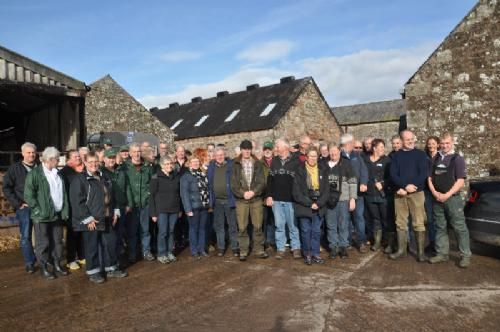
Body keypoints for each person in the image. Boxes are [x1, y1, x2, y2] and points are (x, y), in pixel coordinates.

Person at [70, 152, 127, 283]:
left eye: (95, 162)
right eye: (90, 162)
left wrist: (115, 211)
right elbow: (77, 202)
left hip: (107, 217)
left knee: (110, 244)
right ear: (85, 163)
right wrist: (87, 218)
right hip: (92, 219)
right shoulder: (79, 180)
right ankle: (93, 272)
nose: (94, 164)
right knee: (92, 247)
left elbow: (112, 196)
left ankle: (111, 268)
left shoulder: (104, 177)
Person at [24, 147, 69, 280]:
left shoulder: (58, 173)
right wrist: (38, 210)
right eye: (57, 159)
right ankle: (44, 267)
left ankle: (57, 264)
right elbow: (28, 195)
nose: (59, 161)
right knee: (43, 243)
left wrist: (64, 209)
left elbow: (63, 193)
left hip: (56, 214)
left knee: (58, 241)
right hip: (42, 216)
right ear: (50, 159)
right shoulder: (35, 174)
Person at [428, 133, 471, 268]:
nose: (445, 146)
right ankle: (442, 253)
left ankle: (465, 256)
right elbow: (429, 178)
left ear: (452, 143)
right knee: (440, 226)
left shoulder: (457, 159)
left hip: (452, 199)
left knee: (459, 227)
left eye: (447, 143)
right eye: (442, 143)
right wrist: (435, 193)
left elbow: (460, 181)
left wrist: (447, 194)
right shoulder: (435, 159)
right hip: (437, 198)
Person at [389, 130, 428, 262]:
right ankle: (401, 250)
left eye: (412, 138)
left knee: (419, 223)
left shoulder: (421, 155)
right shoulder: (395, 156)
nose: (411, 141)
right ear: (402, 140)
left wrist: (411, 187)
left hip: (417, 193)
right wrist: (404, 186)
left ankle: (420, 253)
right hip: (400, 193)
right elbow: (393, 175)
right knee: (400, 223)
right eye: (407, 139)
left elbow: (423, 173)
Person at [2, 142, 38, 273]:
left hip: (39, 207)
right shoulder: (15, 169)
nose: (31, 155)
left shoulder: (39, 167)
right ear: (22, 153)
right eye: (28, 152)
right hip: (25, 207)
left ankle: (43, 259)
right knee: (25, 236)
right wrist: (18, 204)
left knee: (41, 235)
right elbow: (6, 187)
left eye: (33, 152)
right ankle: (29, 262)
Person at [231, 139, 268, 261]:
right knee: (242, 227)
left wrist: (253, 192)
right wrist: (243, 193)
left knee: (257, 225)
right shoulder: (235, 164)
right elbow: (233, 184)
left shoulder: (257, 163)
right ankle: (243, 250)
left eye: (248, 149)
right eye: (244, 149)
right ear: (241, 150)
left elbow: (262, 182)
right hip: (242, 200)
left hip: (256, 199)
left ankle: (259, 249)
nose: (247, 151)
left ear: (251, 150)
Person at [265, 139, 302, 260]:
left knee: (292, 225)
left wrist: (298, 197)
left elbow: (300, 181)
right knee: (279, 225)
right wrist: (269, 196)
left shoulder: (296, 161)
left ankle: (295, 247)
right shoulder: (275, 161)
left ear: (285, 148)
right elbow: (270, 180)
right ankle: (280, 249)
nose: (276, 149)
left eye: (277, 147)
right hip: (276, 200)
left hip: (291, 199)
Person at [293, 147, 328, 265]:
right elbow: (296, 192)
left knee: (317, 231)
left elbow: (327, 190)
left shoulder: (323, 169)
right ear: (306, 157)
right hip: (304, 205)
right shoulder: (299, 170)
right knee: (305, 230)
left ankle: (315, 253)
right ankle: (307, 253)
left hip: (319, 205)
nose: (313, 158)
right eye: (311, 156)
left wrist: (318, 203)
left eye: (315, 156)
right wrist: (309, 203)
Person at [324, 143, 357, 259]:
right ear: (328, 152)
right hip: (328, 201)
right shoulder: (323, 165)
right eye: (331, 151)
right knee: (331, 224)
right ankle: (333, 247)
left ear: (339, 151)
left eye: (335, 151)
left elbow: (353, 181)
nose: (333, 153)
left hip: (343, 199)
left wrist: (352, 198)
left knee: (343, 224)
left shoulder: (346, 164)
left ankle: (343, 246)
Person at [123, 143, 154, 263]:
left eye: (138, 151)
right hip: (132, 205)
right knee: (132, 231)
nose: (137, 154)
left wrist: (149, 196)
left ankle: (146, 251)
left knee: (145, 230)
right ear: (130, 153)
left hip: (145, 204)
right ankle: (132, 253)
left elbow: (152, 184)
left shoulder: (147, 166)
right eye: (134, 151)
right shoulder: (125, 167)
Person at [207, 147, 239, 257]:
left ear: (224, 155)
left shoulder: (231, 165)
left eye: (221, 155)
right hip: (217, 201)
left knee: (232, 225)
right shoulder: (211, 167)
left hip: (229, 200)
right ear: (214, 157)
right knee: (219, 226)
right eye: (218, 155)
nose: (220, 157)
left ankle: (235, 247)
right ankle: (221, 247)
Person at [340, 134, 369, 253]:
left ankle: (361, 242)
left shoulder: (357, 155)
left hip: (358, 193)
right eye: (352, 143)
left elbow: (364, 171)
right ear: (347, 144)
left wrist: (363, 183)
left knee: (359, 218)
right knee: (345, 219)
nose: (354, 145)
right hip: (344, 194)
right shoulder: (339, 156)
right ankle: (347, 242)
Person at [150, 157, 181, 264]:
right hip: (161, 209)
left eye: (170, 164)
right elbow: (152, 196)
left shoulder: (175, 176)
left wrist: (179, 209)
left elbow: (178, 194)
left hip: (174, 209)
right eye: (167, 164)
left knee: (171, 231)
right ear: (162, 165)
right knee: (163, 232)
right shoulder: (156, 177)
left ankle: (169, 252)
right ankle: (161, 253)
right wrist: (153, 213)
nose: (169, 166)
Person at [59, 150, 85, 270]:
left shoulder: (79, 170)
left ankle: (81, 256)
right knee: (72, 234)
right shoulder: (64, 173)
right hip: (70, 208)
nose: (78, 158)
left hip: (81, 207)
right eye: (75, 157)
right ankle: (70, 259)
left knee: (81, 232)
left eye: (79, 156)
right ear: (68, 159)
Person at [101, 149, 130, 259]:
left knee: (119, 233)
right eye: (109, 158)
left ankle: (117, 258)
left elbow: (127, 187)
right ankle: (108, 259)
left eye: (113, 158)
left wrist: (129, 203)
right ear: (104, 159)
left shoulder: (121, 171)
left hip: (121, 206)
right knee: (109, 236)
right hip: (108, 209)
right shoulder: (102, 172)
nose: (112, 160)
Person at [365, 139, 392, 251]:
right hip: (370, 194)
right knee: (375, 219)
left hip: (383, 195)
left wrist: (383, 183)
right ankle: (377, 242)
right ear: (374, 148)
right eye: (380, 147)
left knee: (386, 219)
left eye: (383, 147)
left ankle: (388, 242)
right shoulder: (366, 160)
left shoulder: (387, 160)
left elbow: (392, 177)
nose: (382, 149)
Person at [180, 156, 210, 259]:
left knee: (202, 229)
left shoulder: (203, 174)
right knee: (193, 229)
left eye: (197, 161)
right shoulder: (186, 176)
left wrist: (209, 204)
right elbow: (184, 194)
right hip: (193, 207)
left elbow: (207, 189)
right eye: (193, 162)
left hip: (204, 206)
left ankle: (201, 249)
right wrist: (188, 209)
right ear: (189, 163)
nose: (196, 163)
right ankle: (194, 251)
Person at [424, 136, 440, 256]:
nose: (431, 146)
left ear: (438, 145)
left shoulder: (441, 157)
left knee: (439, 218)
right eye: (429, 144)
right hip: (428, 192)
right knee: (430, 219)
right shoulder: (425, 157)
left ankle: (440, 244)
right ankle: (432, 242)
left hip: (439, 191)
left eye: (433, 143)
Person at [261, 141, 276, 249]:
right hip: (263, 196)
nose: (267, 151)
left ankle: (273, 241)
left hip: (276, 195)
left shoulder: (277, 162)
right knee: (264, 220)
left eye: (269, 149)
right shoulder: (259, 163)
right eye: (265, 149)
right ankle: (265, 241)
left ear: (272, 150)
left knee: (275, 220)